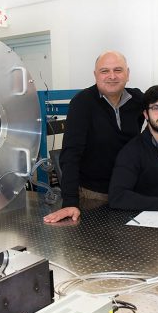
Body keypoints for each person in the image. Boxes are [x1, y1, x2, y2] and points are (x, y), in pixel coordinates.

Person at [43, 51, 144, 223]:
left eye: (118, 70)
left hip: (130, 192)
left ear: (128, 74)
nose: (112, 76)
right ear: (95, 75)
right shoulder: (82, 103)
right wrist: (70, 202)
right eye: (105, 71)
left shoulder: (138, 100)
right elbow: (70, 155)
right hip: (95, 196)